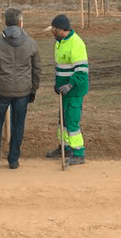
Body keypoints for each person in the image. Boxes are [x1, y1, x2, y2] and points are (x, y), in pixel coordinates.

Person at [0, 8, 41, 170]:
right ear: (21, 22)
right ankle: (13, 159)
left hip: (1, 89)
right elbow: (37, 69)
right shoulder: (31, 42)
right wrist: (33, 89)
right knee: (18, 125)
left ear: (5, 22)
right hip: (22, 90)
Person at [45, 14, 88, 166]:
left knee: (71, 121)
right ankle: (65, 147)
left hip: (74, 91)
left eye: (54, 30)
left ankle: (78, 153)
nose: (52, 33)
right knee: (62, 120)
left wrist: (70, 85)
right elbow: (60, 67)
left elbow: (81, 71)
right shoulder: (60, 42)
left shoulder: (76, 44)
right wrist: (57, 83)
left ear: (62, 30)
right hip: (63, 91)